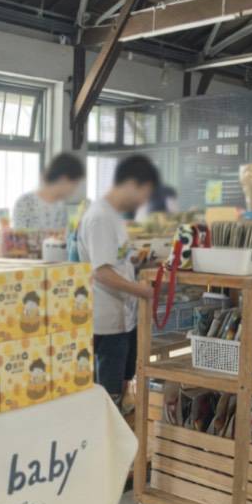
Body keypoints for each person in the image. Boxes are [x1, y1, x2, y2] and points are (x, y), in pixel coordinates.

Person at [76, 155, 159, 412]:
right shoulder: (100, 217)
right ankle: (106, 432)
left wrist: (137, 260)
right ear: (132, 184)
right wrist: (143, 291)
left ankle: (118, 423)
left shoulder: (113, 216)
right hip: (106, 319)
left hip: (123, 316)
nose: (143, 201)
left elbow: (115, 259)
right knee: (108, 394)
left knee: (122, 385)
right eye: (145, 193)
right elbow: (102, 272)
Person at [11, 152, 85, 231]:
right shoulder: (26, 203)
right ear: (63, 179)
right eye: (75, 183)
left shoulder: (62, 207)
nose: (75, 189)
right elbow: (21, 237)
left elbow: (64, 236)